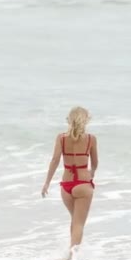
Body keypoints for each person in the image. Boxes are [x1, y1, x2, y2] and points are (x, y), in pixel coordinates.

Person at [41, 106, 98, 249]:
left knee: (74, 221)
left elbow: (55, 160)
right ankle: (74, 259)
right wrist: (92, 172)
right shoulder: (91, 139)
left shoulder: (61, 138)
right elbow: (95, 162)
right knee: (79, 224)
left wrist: (47, 183)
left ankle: (71, 255)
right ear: (85, 120)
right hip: (83, 184)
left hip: (66, 186)